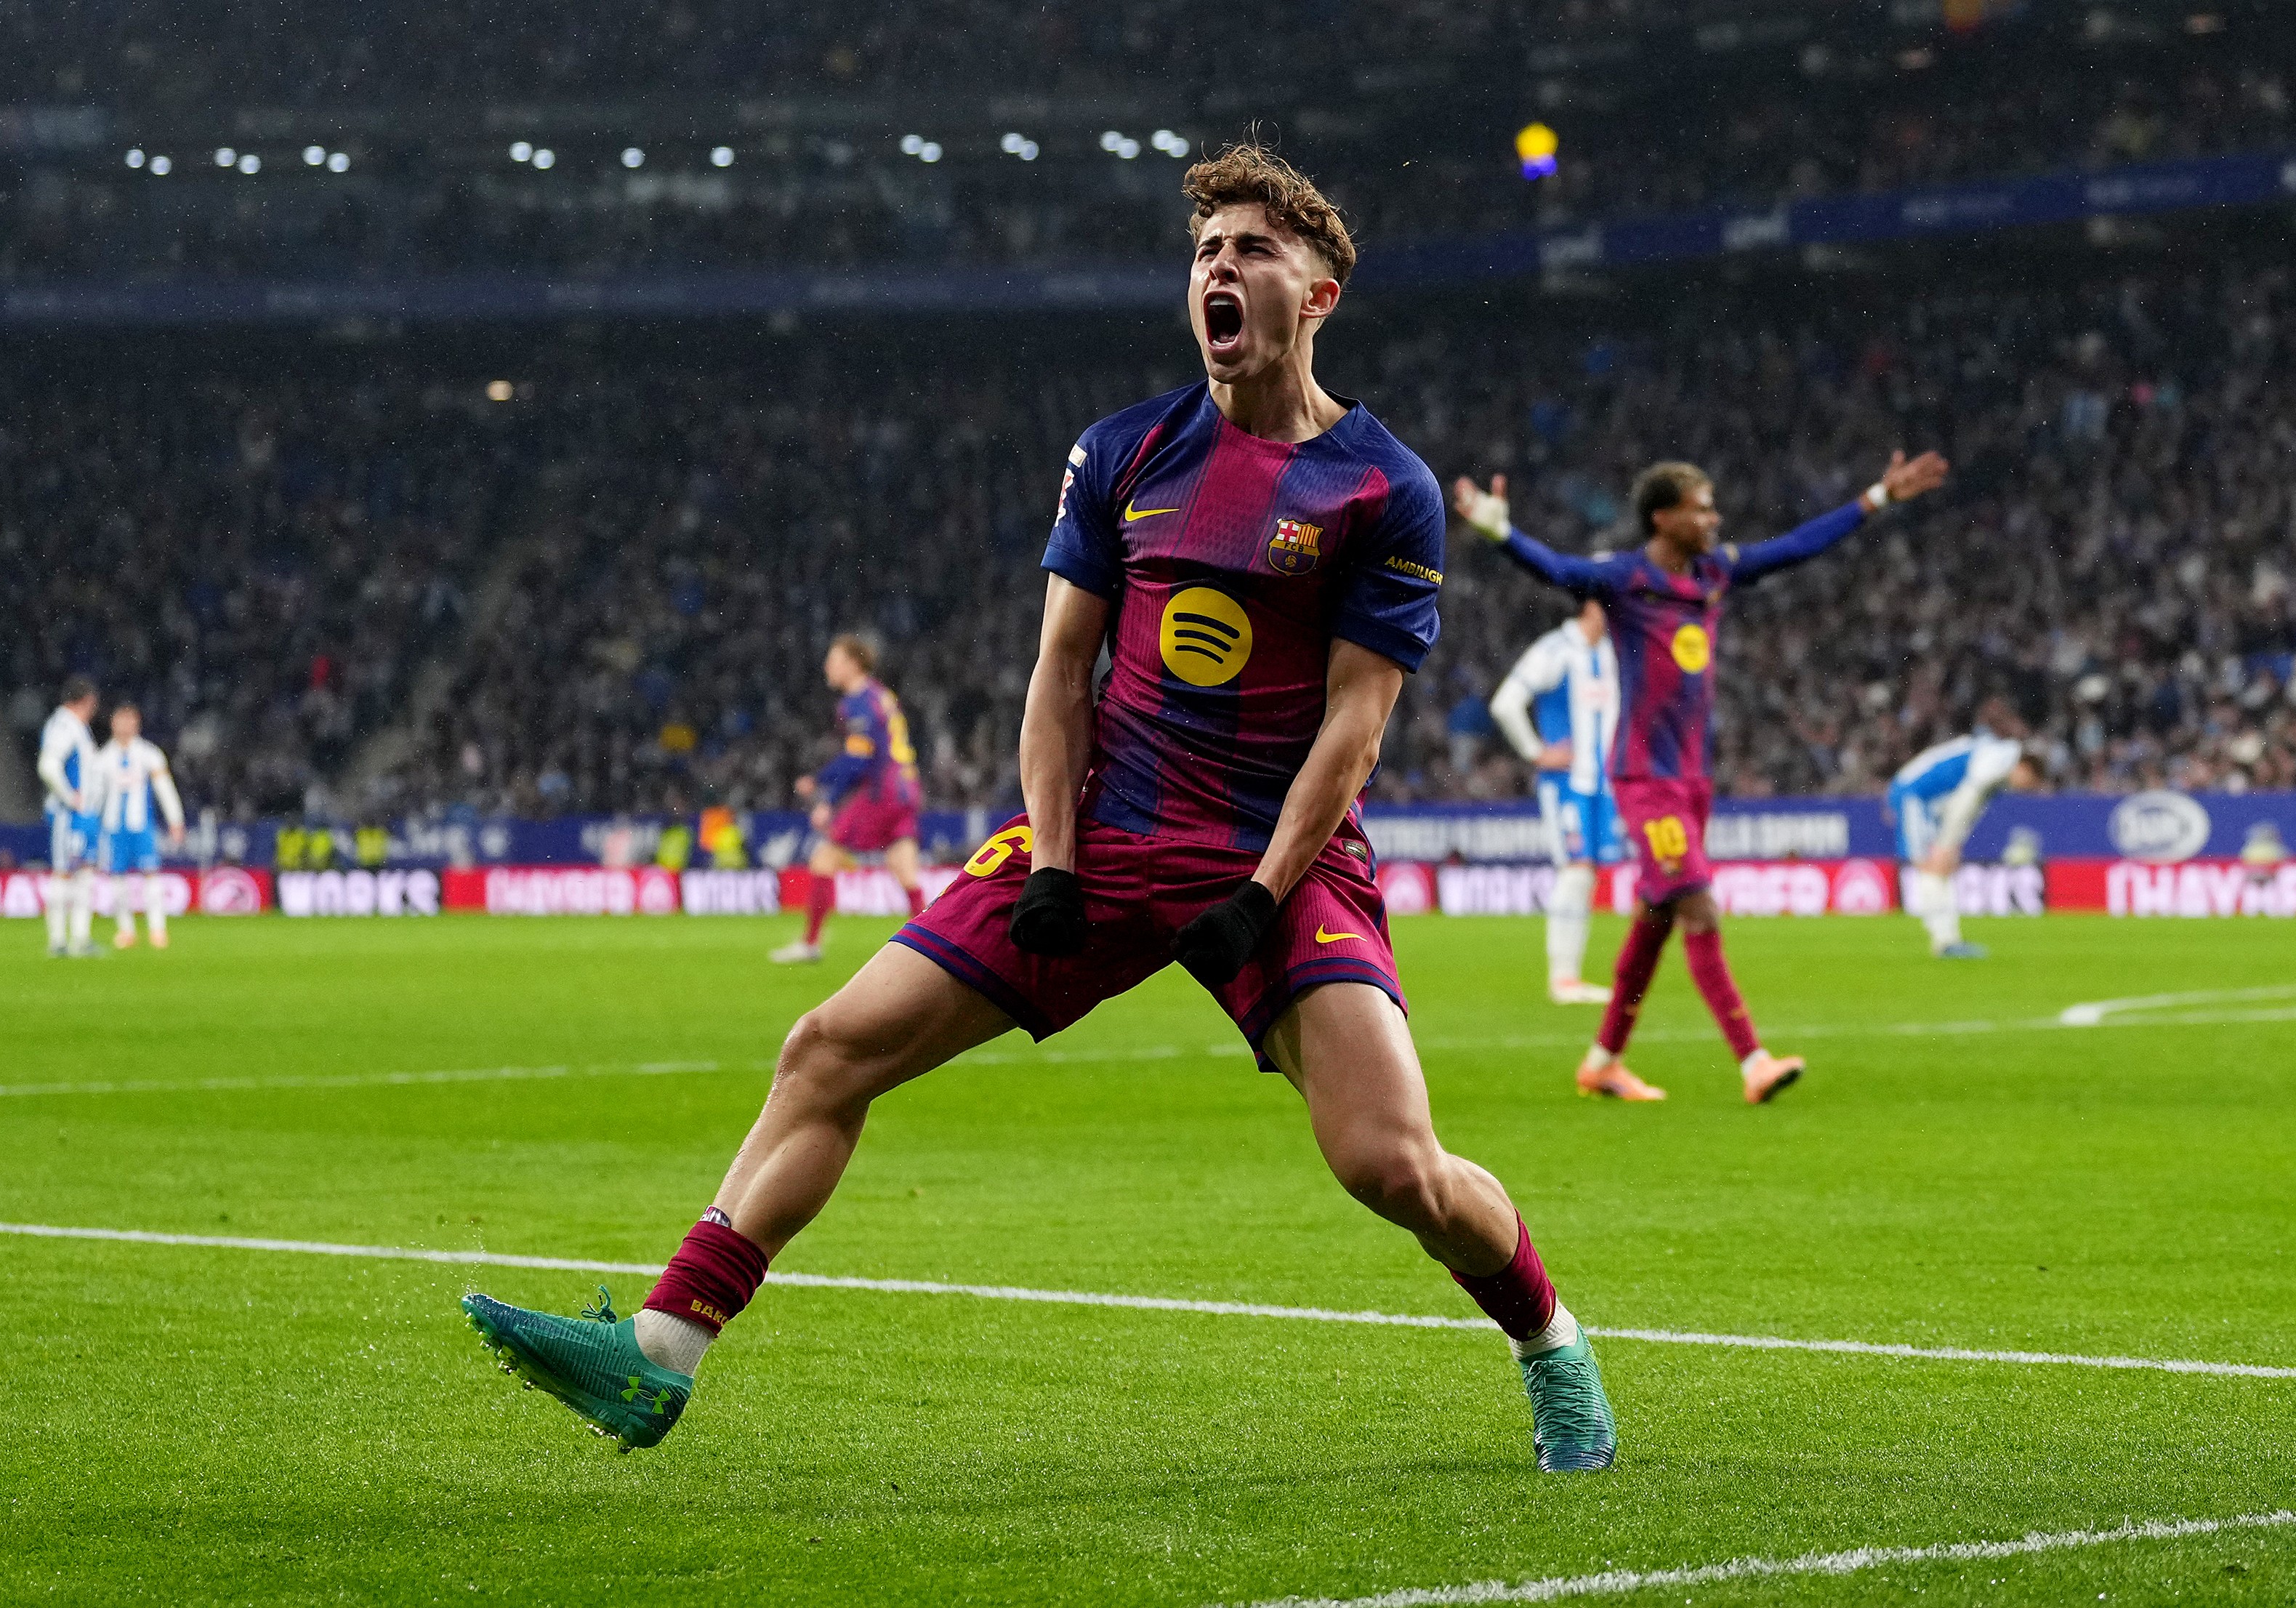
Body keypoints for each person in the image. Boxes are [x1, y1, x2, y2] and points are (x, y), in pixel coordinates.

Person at [464, 141, 1619, 1474]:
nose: (1217, 271)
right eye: (1202, 254)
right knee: (829, 1045)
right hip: (1106, 831)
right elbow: (1058, 672)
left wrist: (1258, 891)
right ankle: (658, 1355)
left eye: (1249, 250)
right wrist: (1056, 855)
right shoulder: (1122, 450)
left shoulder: (1381, 488)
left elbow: (1354, 727)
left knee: (1390, 1165)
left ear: (1319, 293)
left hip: (1274, 860)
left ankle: (1548, 1342)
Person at [1455, 451, 1949, 1104]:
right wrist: (1499, 532)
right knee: (1698, 904)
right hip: (1644, 780)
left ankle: (1603, 1060)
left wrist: (1877, 496)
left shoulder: (1716, 572)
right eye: (1700, 506)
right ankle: (1753, 1062)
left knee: (1656, 918)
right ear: (1663, 517)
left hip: (1692, 780)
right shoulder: (1625, 579)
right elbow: (1557, 570)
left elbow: (1798, 546)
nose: (1714, 517)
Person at [1489, 600, 1629, 1014]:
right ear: (1590, 605)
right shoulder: (1556, 649)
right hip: (1566, 782)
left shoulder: (1610, 651)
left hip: (1601, 785)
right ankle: (1561, 979)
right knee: (1575, 872)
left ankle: (1571, 976)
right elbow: (1506, 702)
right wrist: (1536, 751)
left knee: (1586, 877)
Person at [768, 635, 928, 964]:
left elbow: (859, 758)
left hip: (882, 793)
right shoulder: (881, 695)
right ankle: (934, 943)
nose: (828, 666)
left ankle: (810, 944)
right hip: (906, 789)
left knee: (823, 859)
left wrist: (825, 792)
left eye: (834, 659)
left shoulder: (856, 702)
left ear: (853, 664)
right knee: (905, 870)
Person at [1888, 709, 2042, 959]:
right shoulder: (1999, 758)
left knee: (1940, 866)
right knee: (1931, 865)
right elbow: (1967, 797)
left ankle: (1947, 939)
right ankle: (1944, 940)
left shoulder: (1999, 765)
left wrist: (1953, 843)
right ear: (2025, 767)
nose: (2025, 789)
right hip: (1914, 796)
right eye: (2029, 782)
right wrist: (1947, 843)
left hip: (1928, 801)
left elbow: (1972, 806)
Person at [94, 702, 187, 950]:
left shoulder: (149, 754)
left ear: (137, 723)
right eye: (120, 720)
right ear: (113, 723)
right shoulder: (103, 758)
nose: (124, 726)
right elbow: (96, 796)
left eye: (129, 720)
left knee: (151, 876)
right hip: (114, 828)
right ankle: (126, 930)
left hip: (142, 826)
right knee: (117, 880)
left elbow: (164, 789)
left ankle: (158, 929)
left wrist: (175, 820)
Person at [36, 677, 101, 959]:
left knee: (84, 875)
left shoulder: (76, 727)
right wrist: (69, 797)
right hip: (69, 815)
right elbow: (48, 766)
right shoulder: (63, 726)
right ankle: (58, 941)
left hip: (84, 815)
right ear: (87, 700)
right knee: (64, 874)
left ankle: (80, 939)